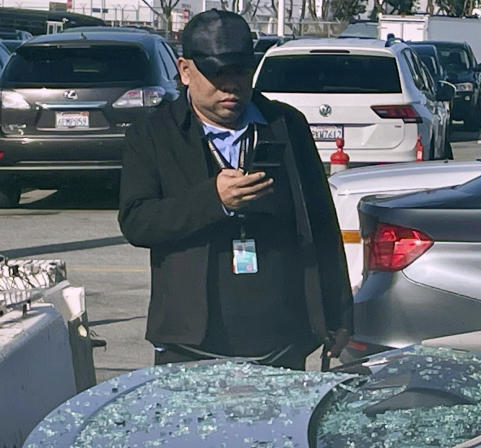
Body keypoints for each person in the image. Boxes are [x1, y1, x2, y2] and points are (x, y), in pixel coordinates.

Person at [118, 10, 352, 370]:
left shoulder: (285, 125)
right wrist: (214, 200)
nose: (231, 86)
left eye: (241, 73)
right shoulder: (152, 134)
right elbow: (137, 221)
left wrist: (336, 314)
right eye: (216, 74)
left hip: (279, 338)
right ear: (185, 71)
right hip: (192, 341)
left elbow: (320, 223)